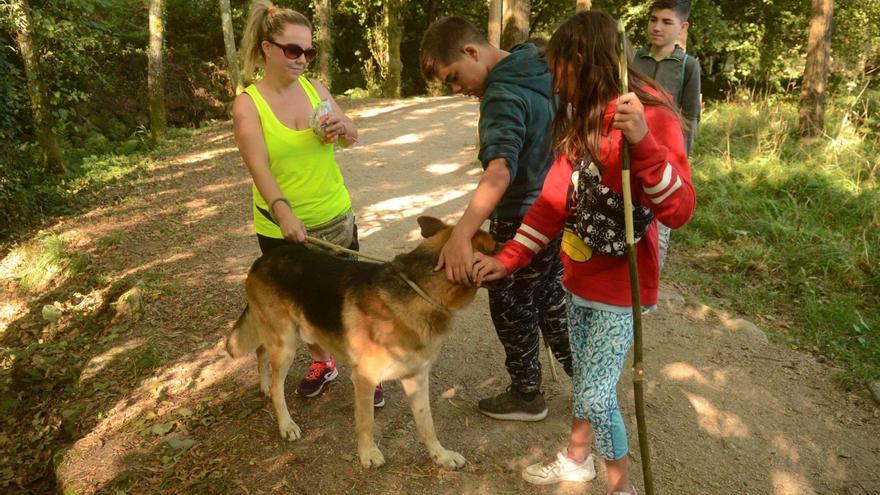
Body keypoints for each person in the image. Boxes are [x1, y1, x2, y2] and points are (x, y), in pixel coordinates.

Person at [472, 11, 695, 494]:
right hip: (577, 274)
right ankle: (578, 460)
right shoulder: (580, 119)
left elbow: (679, 209)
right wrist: (505, 259)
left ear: (582, 61)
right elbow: (551, 204)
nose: (553, 80)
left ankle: (621, 489)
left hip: (624, 286)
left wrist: (643, 141)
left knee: (595, 395)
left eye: (558, 69)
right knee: (587, 382)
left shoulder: (650, 115)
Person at [419, 17, 572, 421]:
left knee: (512, 305)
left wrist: (461, 236)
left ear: (472, 51)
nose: (456, 89)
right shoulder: (537, 60)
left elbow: (500, 171)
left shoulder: (500, 94)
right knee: (551, 298)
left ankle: (527, 395)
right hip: (557, 208)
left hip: (521, 217)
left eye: (453, 77)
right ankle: (590, 378)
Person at [232, 0, 383, 407]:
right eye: (293, 50)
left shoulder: (314, 88)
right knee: (302, 303)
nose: (303, 59)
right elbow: (259, 167)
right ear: (267, 48)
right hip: (283, 228)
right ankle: (322, 361)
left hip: (334, 215)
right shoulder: (248, 104)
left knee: (349, 300)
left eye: (309, 51)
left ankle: (363, 367)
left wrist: (343, 127)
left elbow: (353, 135)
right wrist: (283, 213)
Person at [631, 0, 702, 269]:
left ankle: (646, 295)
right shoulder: (634, 58)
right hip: (629, 156)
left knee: (657, 234)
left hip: (665, 162)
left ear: (682, 27)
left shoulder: (688, 66)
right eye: (653, 19)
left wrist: (682, 159)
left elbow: (691, 116)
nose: (657, 27)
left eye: (666, 22)